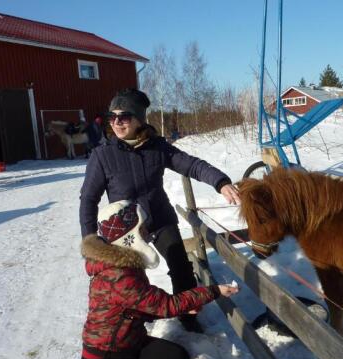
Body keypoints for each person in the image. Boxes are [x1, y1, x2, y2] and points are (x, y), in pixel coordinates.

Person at [79, 88, 240, 332]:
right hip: (126, 229)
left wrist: (220, 182)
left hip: (159, 218)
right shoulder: (103, 156)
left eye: (123, 117)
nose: (117, 123)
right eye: (112, 117)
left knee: (180, 267)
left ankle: (188, 315)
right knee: (129, 280)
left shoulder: (157, 147)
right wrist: (91, 242)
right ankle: (134, 327)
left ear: (139, 119)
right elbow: (88, 200)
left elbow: (192, 165)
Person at [78, 200, 239, 359]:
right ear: (129, 237)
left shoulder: (123, 264)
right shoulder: (119, 275)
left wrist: (182, 308)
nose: (148, 233)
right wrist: (214, 291)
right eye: (142, 229)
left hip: (131, 345)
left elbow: (136, 306)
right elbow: (165, 305)